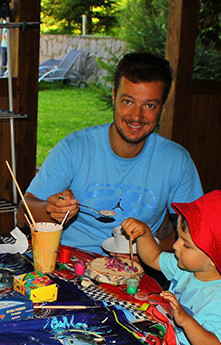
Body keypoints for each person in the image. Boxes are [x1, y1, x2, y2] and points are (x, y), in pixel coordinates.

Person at [17, 52, 203, 255]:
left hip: (136, 272)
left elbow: (197, 233)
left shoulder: (176, 161)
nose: (136, 117)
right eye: (128, 102)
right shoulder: (75, 148)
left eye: (149, 105)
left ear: (162, 108)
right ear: (114, 96)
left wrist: (152, 252)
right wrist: (49, 209)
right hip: (68, 264)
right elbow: (22, 215)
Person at [121, 190, 221, 345]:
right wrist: (145, 234)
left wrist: (185, 320)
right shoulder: (186, 267)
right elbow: (153, 258)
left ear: (214, 258)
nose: (176, 246)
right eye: (179, 237)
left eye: (187, 245)